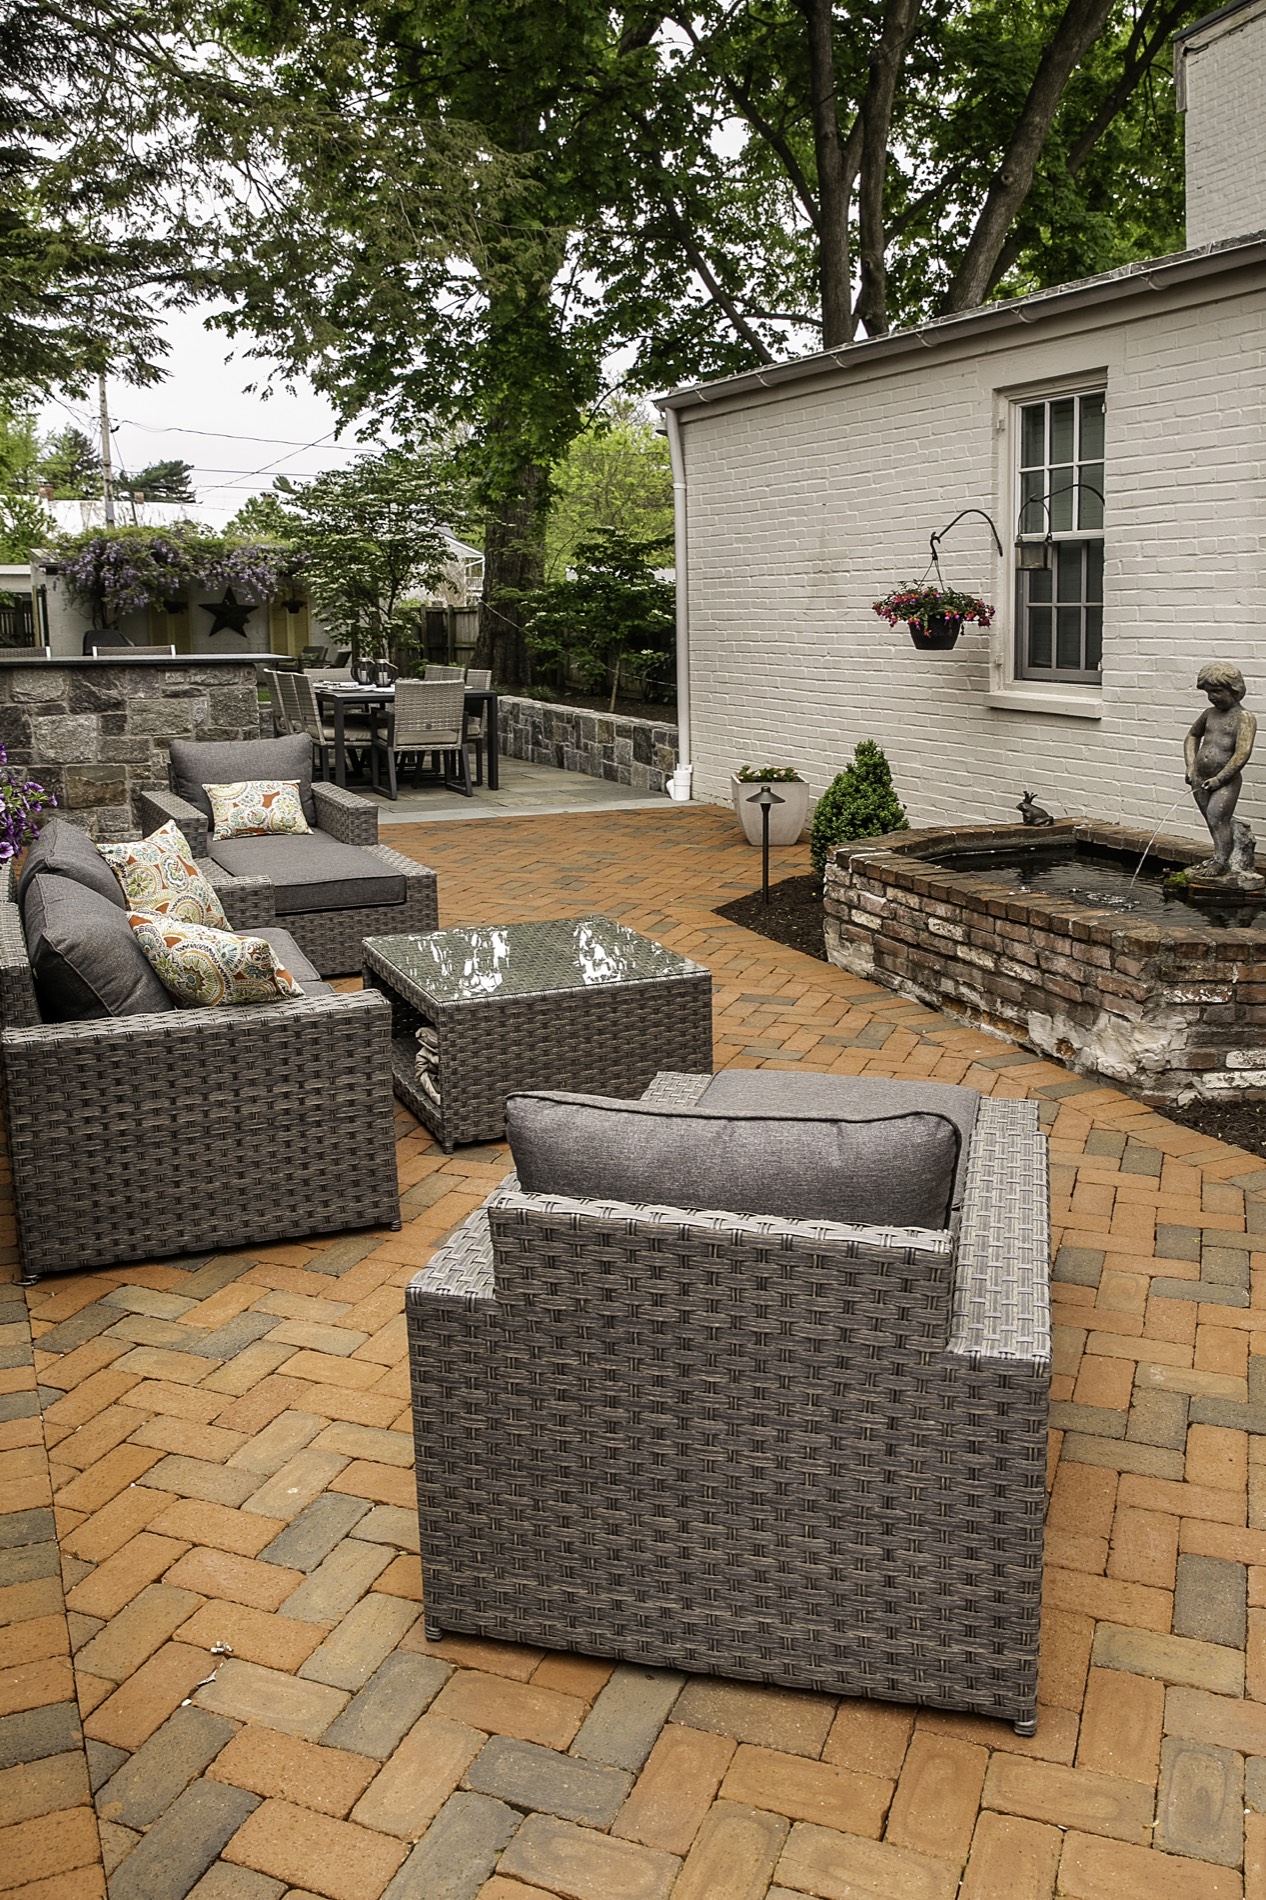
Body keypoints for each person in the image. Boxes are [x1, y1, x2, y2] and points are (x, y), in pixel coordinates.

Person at [1185, 662, 1257, 874]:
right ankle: (1220, 854)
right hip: (1199, 777)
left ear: (1234, 690)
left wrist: (1220, 779)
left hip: (1225, 780)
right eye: (1208, 692)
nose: (1212, 697)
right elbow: (1192, 736)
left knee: (1218, 817)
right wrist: (1190, 766)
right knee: (1210, 819)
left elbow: (1242, 753)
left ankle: (1221, 862)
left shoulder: (1244, 718)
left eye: (1217, 691)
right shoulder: (1209, 714)